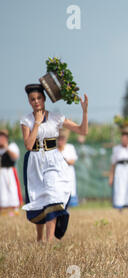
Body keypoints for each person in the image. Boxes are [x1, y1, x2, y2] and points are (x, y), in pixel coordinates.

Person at [20, 84, 88, 242]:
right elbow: (29, 145)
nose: (36, 101)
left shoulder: (56, 117)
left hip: (53, 159)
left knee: (53, 195)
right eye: (32, 99)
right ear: (29, 102)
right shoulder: (26, 120)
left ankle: (49, 241)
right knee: (39, 198)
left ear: (44, 99)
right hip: (35, 160)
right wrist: (37, 123)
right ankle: (39, 238)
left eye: (38, 98)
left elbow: (82, 131)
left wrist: (84, 111)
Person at [0, 129, 22, 216]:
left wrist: (6, 147)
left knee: (12, 189)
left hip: (9, 171)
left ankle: (14, 209)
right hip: (1, 172)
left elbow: (15, 157)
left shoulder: (11, 146)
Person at [57, 129, 79, 207]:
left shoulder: (70, 147)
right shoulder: (54, 150)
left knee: (70, 191)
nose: (60, 141)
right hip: (58, 175)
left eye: (62, 139)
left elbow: (72, 161)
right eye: (59, 139)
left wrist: (64, 160)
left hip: (68, 174)